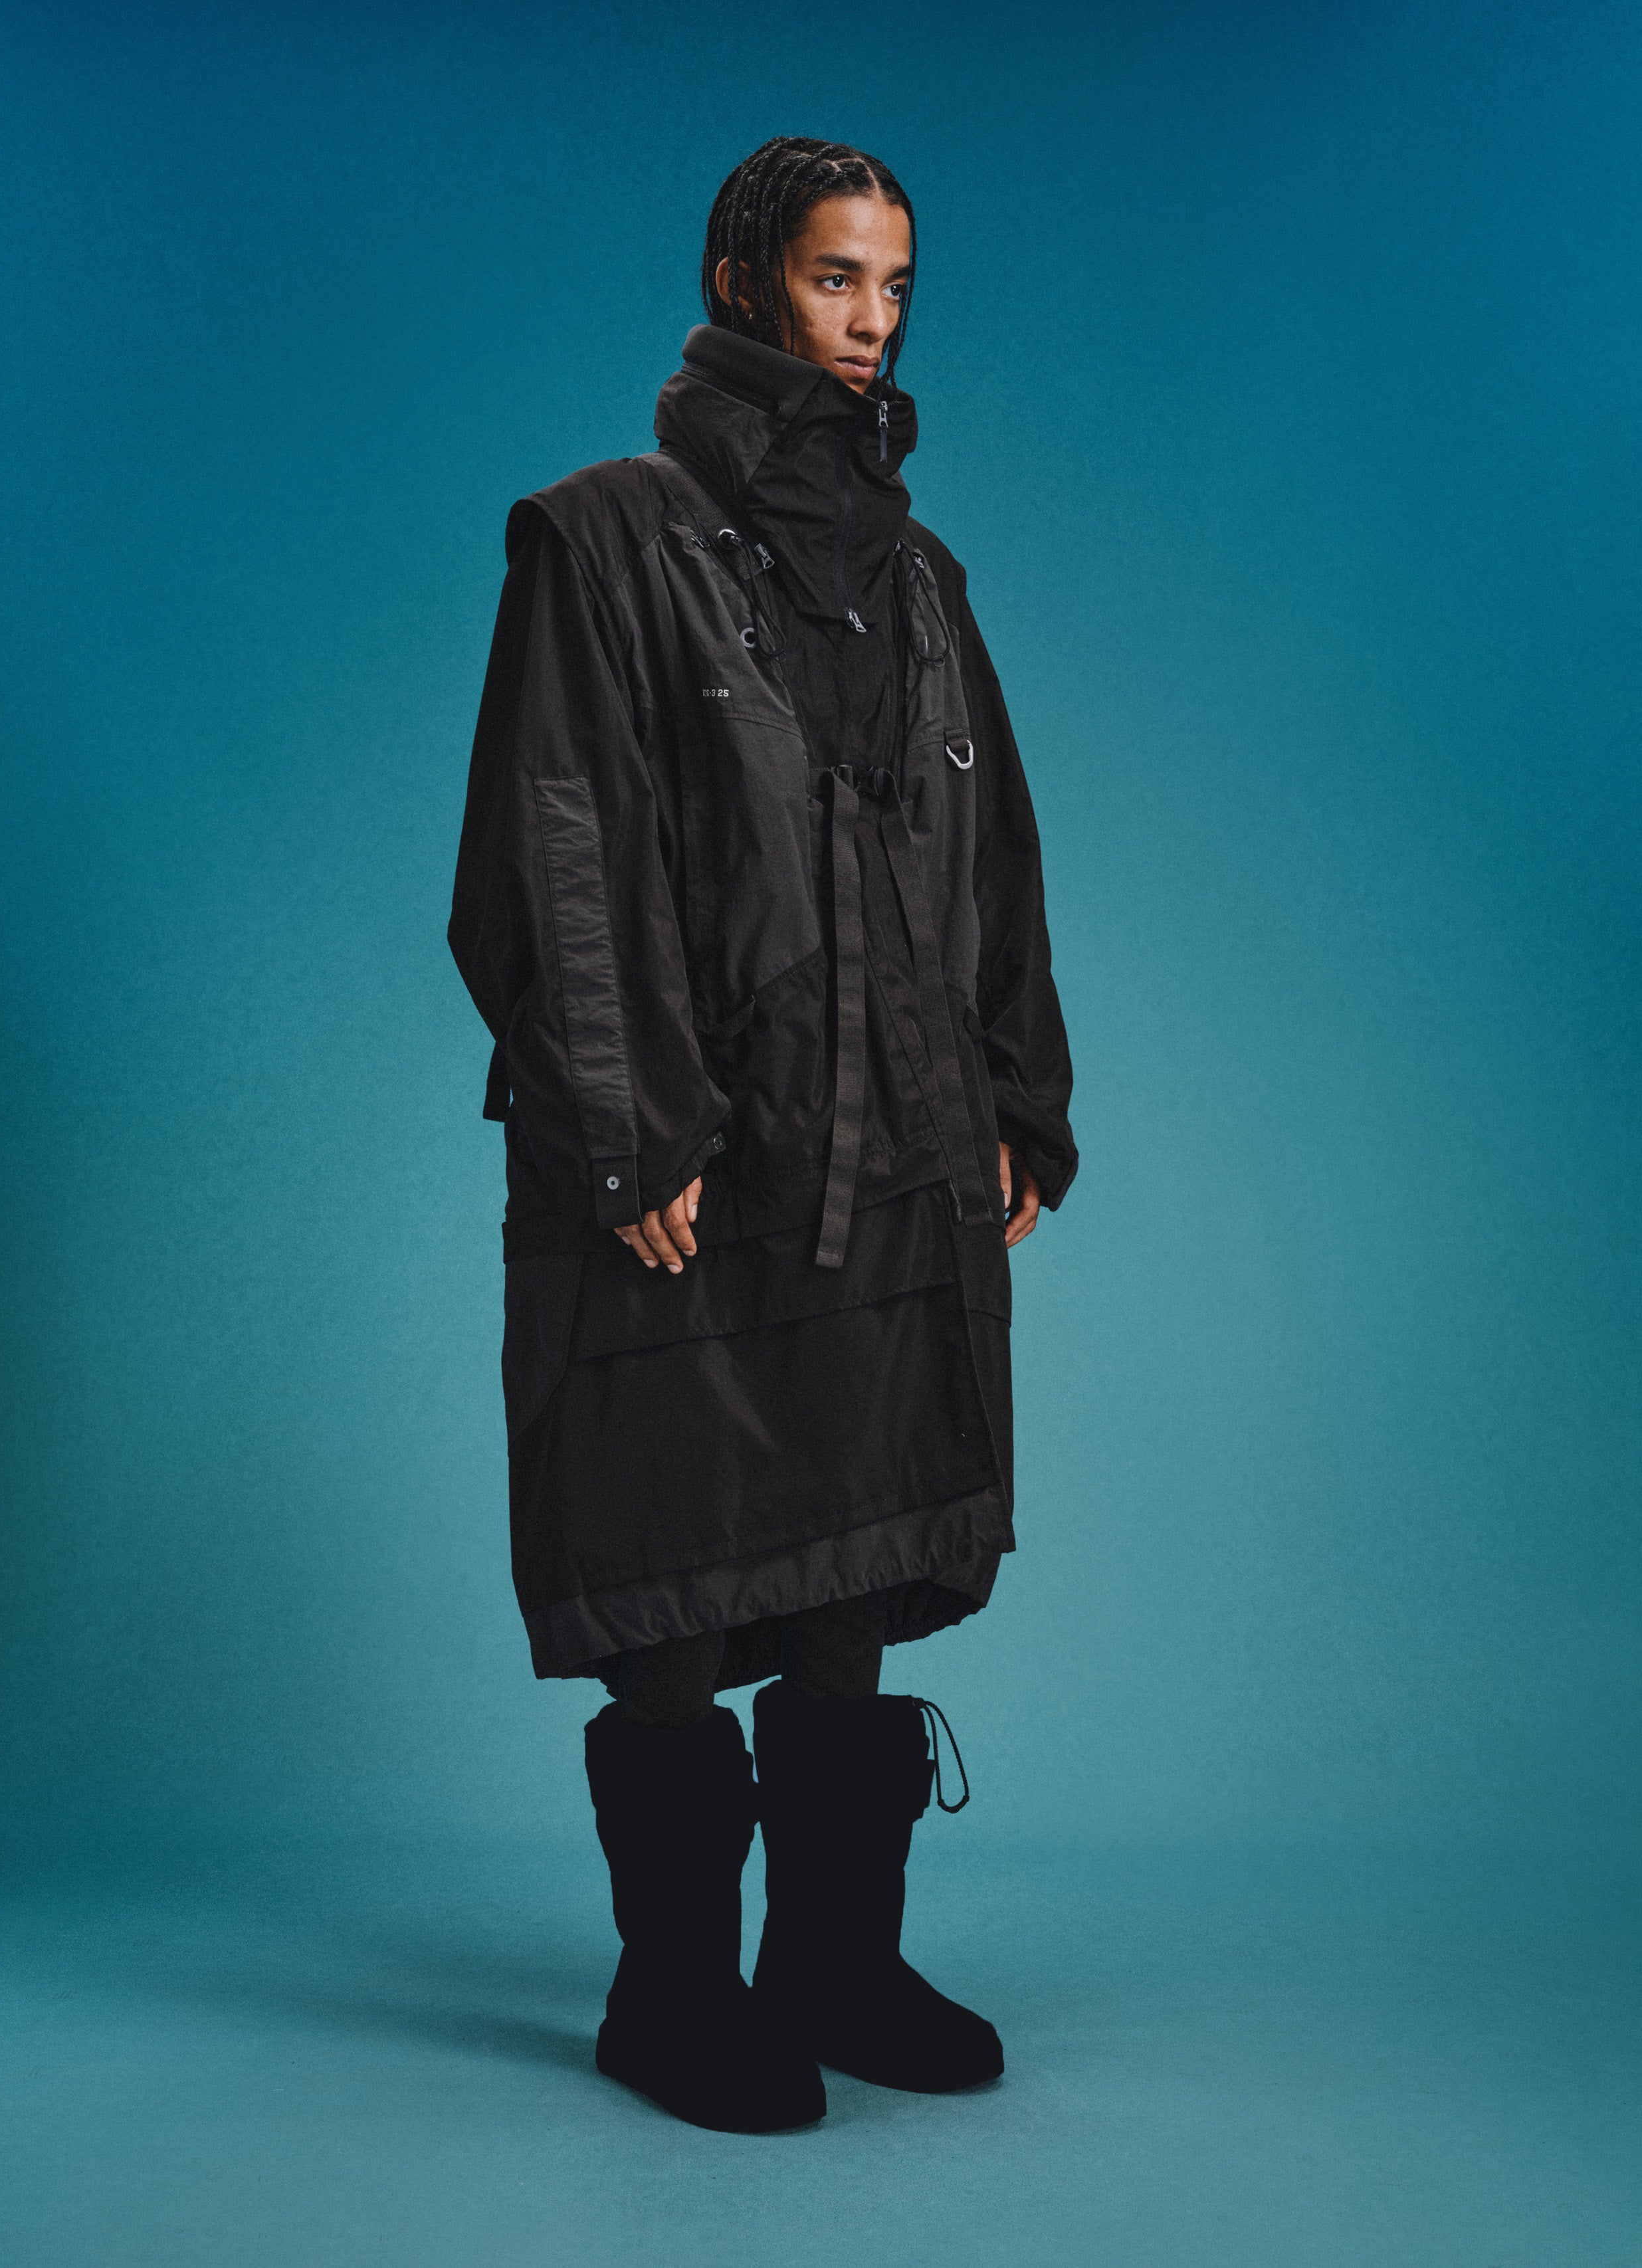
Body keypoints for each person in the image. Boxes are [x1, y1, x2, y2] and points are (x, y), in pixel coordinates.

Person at [449, 136, 1077, 2134]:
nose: (873, 319)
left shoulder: (919, 575)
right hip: (693, 1160)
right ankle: (672, 1994)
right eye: (835, 278)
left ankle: (832, 1962)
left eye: (895, 285)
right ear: (741, 280)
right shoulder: (604, 539)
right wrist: (630, 1134)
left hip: (896, 1149)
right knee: (672, 1558)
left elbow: (994, 853)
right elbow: (555, 846)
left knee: (849, 1571)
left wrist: (1016, 1097)